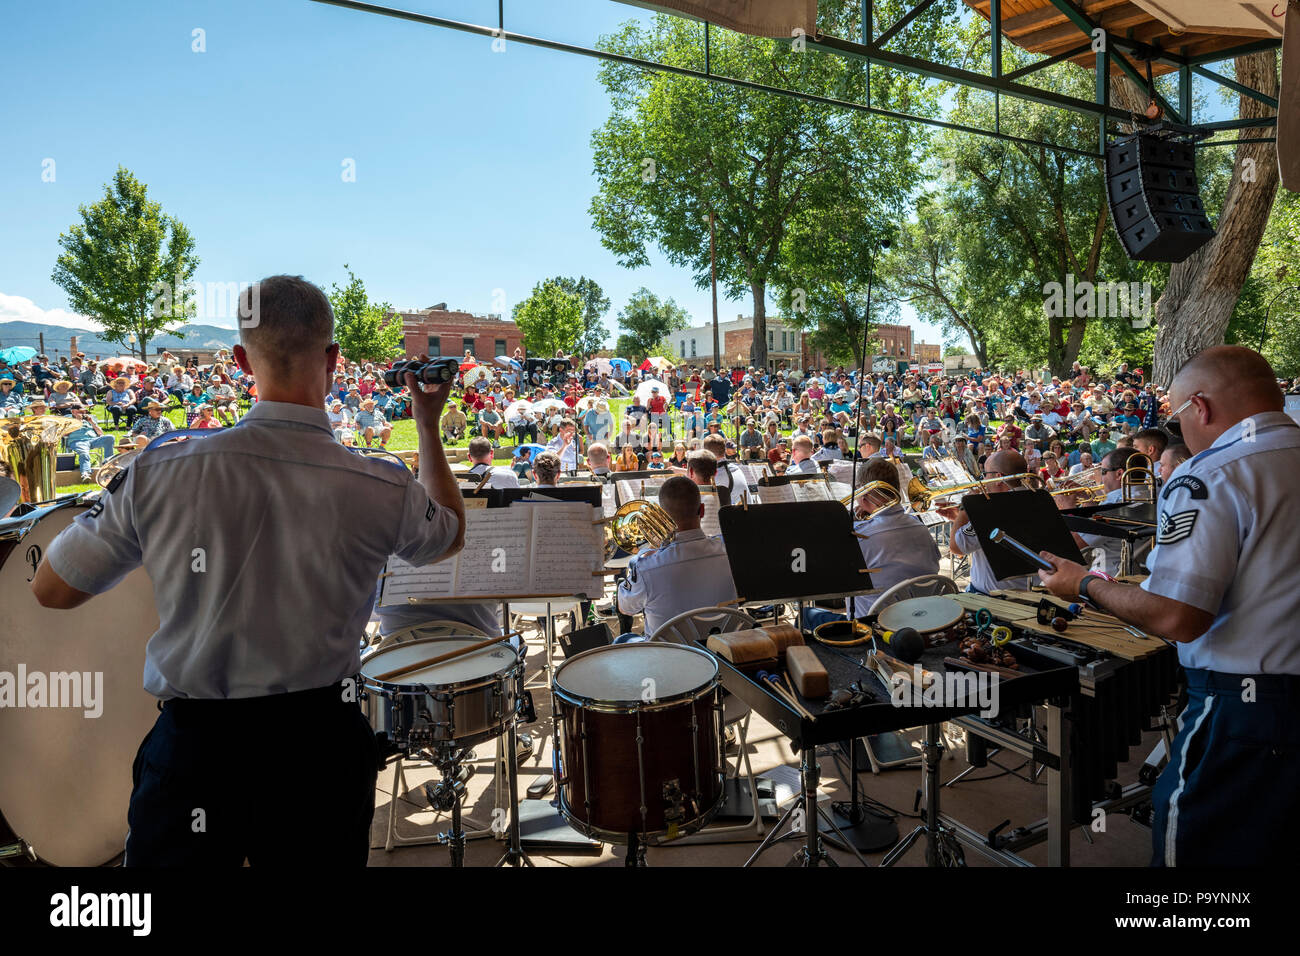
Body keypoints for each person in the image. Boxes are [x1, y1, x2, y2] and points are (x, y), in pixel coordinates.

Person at [31, 274, 466, 867]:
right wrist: (427, 424)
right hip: (320, 748)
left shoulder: (162, 471)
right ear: (335, 359)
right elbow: (447, 534)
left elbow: (52, 589)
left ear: (240, 359)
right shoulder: (381, 483)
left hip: (197, 750)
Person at [1037, 346, 1300, 867]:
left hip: (1247, 710)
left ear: (1199, 407)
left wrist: (1084, 586)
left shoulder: (1212, 473)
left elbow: (1178, 617)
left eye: (1176, 415)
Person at [616, 476, 737, 639]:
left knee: (623, 639)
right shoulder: (732, 552)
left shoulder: (646, 566)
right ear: (702, 510)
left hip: (668, 658)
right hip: (722, 652)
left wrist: (650, 554)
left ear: (662, 517)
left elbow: (625, 608)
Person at [844, 459, 941, 618]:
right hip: (921, 620)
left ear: (864, 493)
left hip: (872, 628)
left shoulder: (860, 537)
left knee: (807, 614)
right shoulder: (921, 528)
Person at [940, 449, 1041, 594]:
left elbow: (956, 548)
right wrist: (960, 519)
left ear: (999, 478)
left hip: (992, 598)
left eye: (985, 475)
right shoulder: (1039, 500)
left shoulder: (991, 512)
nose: (983, 481)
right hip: (1030, 591)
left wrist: (965, 506)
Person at [63, 401, 117, 481]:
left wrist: (91, 422)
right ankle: (85, 473)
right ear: (73, 412)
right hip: (78, 441)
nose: (83, 413)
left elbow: (100, 433)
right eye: (80, 411)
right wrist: (78, 423)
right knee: (84, 452)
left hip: (92, 440)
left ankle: (107, 466)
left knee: (110, 438)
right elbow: (64, 434)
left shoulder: (88, 420)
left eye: (83, 411)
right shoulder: (68, 421)